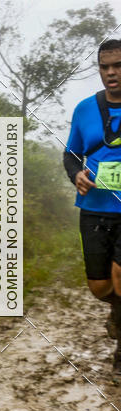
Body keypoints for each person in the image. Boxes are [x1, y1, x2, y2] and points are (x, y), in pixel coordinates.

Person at [64, 39, 121, 381]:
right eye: (105, 66)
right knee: (100, 286)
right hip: (95, 207)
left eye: (118, 65)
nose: (112, 73)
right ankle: (117, 313)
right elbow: (71, 154)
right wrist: (77, 176)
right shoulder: (85, 109)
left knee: (120, 275)